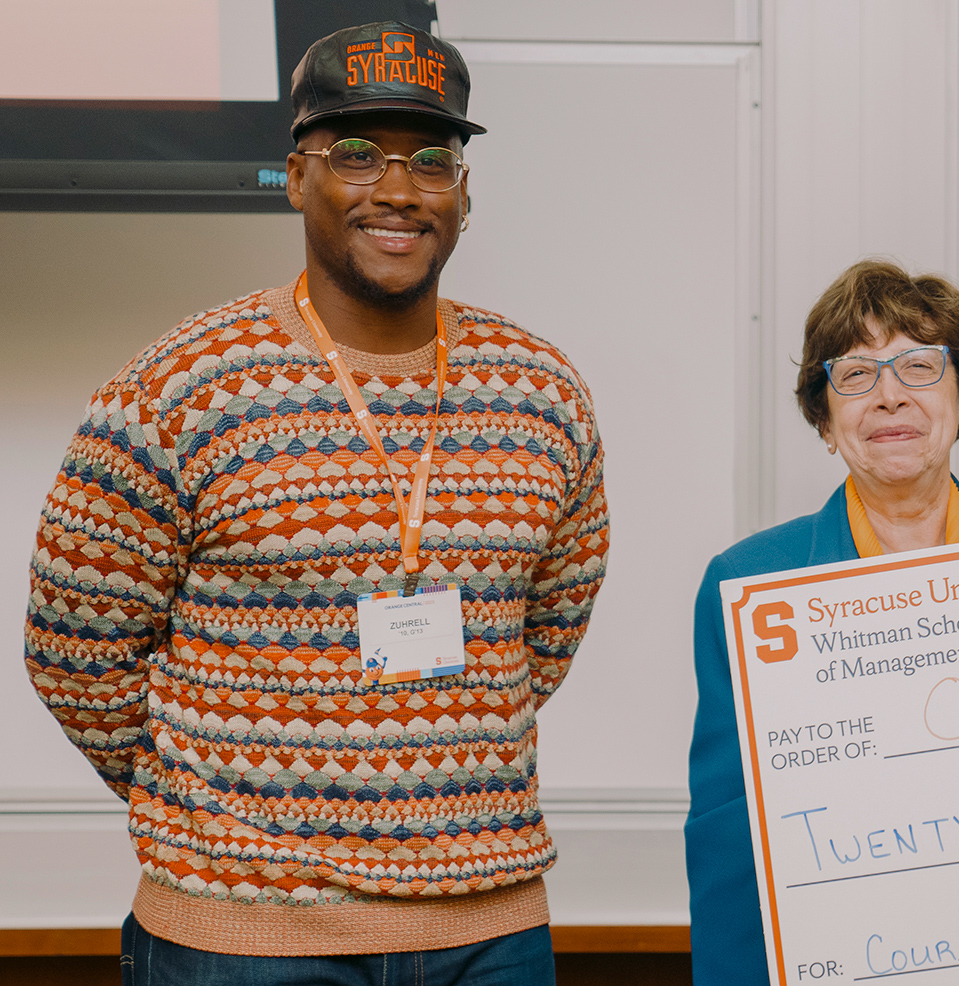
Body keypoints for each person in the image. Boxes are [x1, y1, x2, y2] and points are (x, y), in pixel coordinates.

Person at [24, 22, 609, 985]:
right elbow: (75, 651)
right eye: (353, 154)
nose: (395, 189)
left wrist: (423, 746)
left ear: (464, 192)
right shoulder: (181, 390)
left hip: (490, 931)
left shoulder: (541, 393)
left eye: (431, 158)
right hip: (241, 939)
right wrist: (212, 801)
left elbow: (542, 635)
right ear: (296, 178)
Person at [686, 260, 959, 985]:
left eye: (919, 367)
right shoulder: (746, 584)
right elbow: (728, 833)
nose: (890, 396)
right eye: (857, 375)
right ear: (824, 421)